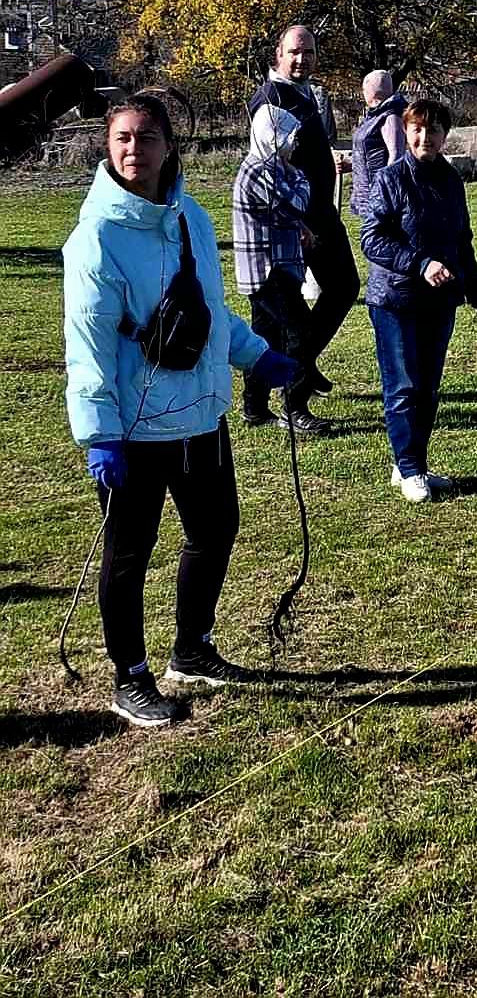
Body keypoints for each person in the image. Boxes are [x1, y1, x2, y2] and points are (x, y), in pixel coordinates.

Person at [62, 95, 299, 729]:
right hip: (133, 431)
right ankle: (129, 677)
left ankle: (191, 648)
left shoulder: (192, 218)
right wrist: (100, 434)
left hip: (200, 418)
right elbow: (86, 345)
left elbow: (209, 313)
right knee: (130, 552)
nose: (132, 149)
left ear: (170, 145)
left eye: (145, 137)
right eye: (120, 138)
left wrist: (257, 355)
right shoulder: (96, 240)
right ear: (108, 147)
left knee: (216, 531)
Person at [359, 99, 477, 503]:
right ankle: (410, 469)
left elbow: (462, 243)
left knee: (428, 389)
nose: (425, 137)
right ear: (406, 132)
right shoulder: (390, 180)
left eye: (434, 130)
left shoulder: (451, 181)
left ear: (445, 135)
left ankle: (410, 462)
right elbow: (372, 239)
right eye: (417, 129)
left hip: (440, 301)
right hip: (395, 300)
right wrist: (419, 263)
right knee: (403, 386)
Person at [248, 24, 359, 405]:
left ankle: (256, 402)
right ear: (278, 54)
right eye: (295, 51)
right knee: (341, 287)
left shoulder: (300, 94)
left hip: (312, 215)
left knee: (269, 318)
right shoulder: (272, 102)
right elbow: (267, 172)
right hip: (301, 222)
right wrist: (296, 224)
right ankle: (299, 377)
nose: (302, 58)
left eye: (308, 52)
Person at [233, 103, 329, 434]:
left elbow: (284, 215)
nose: (295, 144)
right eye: (290, 138)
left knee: (265, 339)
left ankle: (255, 408)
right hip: (267, 272)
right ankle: (295, 406)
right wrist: (302, 182)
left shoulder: (276, 170)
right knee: (300, 332)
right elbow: (294, 204)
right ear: (272, 139)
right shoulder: (259, 171)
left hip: (276, 269)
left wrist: (300, 225)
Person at [350, 69, 407, 217]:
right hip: (367, 194)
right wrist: (351, 163)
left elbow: (396, 155)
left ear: (371, 89)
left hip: (379, 196)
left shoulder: (390, 116)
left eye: (363, 89)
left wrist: (385, 192)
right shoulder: (374, 115)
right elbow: (369, 152)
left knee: (381, 237)